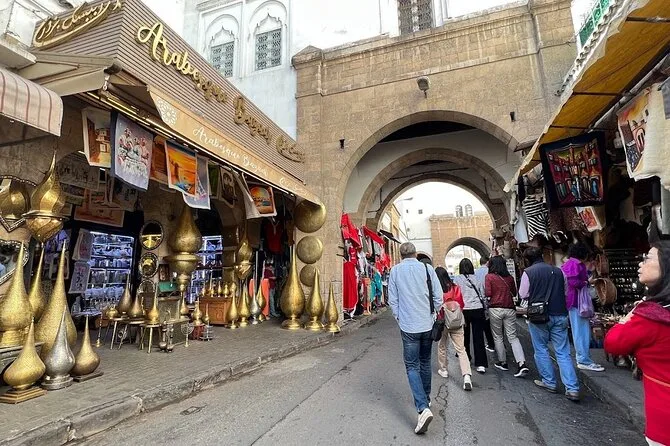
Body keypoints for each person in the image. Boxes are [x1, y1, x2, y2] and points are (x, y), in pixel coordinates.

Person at [605, 223, 670, 446]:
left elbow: (613, 343)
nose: (641, 263)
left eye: (648, 258)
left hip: (664, 419)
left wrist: (629, 316)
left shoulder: (650, 317)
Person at [388, 242, 443, 435]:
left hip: (408, 325)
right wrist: (434, 314)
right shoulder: (427, 269)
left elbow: (392, 299)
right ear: (415, 254)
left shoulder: (395, 271)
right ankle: (425, 398)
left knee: (412, 366)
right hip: (427, 323)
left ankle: (422, 407)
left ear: (400, 255)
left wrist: (399, 317)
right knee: (425, 361)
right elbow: (438, 296)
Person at [520, 247, 580, 402]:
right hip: (560, 313)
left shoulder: (528, 272)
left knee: (541, 349)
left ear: (527, 259)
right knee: (563, 352)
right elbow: (565, 291)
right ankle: (572, 388)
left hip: (539, 316)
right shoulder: (559, 271)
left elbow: (523, 294)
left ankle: (549, 382)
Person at [561, 242, 605, 372]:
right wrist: (586, 282)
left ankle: (583, 358)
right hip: (577, 301)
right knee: (581, 331)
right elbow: (573, 282)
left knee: (580, 331)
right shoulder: (575, 264)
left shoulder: (570, 263)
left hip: (573, 301)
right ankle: (583, 360)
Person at [485, 256, 529, 377]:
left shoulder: (489, 277)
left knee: (498, 336)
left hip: (495, 309)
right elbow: (514, 293)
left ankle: (503, 362)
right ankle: (522, 363)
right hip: (509, 308)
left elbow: (488, 293)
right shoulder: (509, 278)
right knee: (513, 337)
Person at [435, 267, 473, 390]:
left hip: (443, 321)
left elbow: (435, 306)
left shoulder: (437, 290)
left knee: (442, 345)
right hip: (457, 320)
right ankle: (466, 376)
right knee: (461, 349)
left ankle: (443, 369)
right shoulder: (455, 287)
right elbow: (462, 303)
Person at [454, 258, 489, 373]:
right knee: (478, 337)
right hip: (477, 308)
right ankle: (481, 363)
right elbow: (483, 294)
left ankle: (466, 358)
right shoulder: (477, 278)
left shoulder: (457, 279)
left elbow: (456, 295)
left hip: (464, 309)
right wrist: (486, 308)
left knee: (464, 335)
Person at [475, 254, 496, 352]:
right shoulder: (491, 271)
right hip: (493, 300)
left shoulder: (475, 273)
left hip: (481, 302)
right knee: (496, 324)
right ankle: (499, 343)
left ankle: (491, 343)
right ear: (487, 262)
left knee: (486, 324)